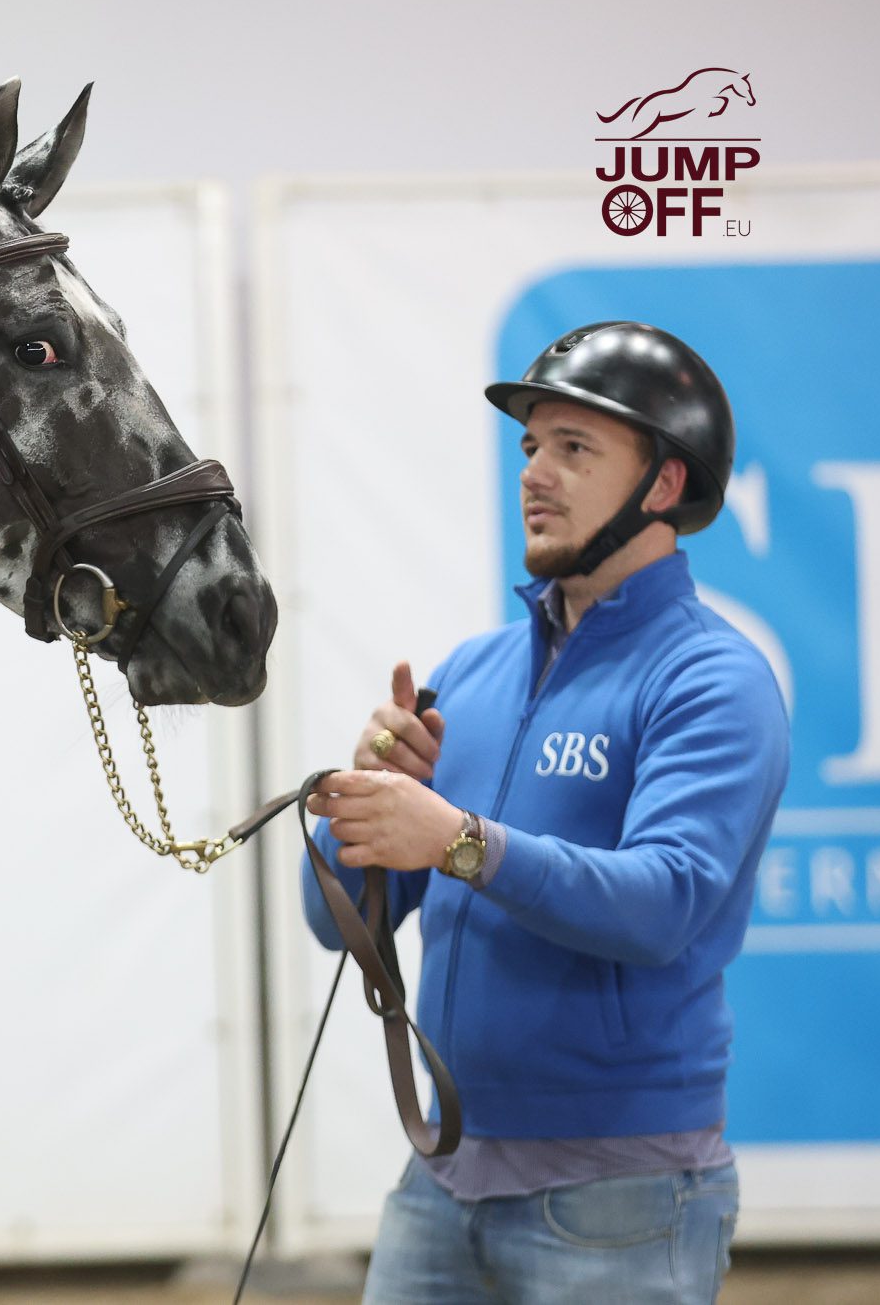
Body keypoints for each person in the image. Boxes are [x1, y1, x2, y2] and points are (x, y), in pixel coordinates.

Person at [300, 321, 790, 1304]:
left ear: (663, 482)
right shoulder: (470, 672)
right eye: (530, 445)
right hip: (441, 1177)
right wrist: (361, 808)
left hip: (621, 1195)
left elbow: (661, 904)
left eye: (573, 447)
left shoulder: (711, 679)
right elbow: (333, 922)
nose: (533, 472)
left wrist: (455, 840)